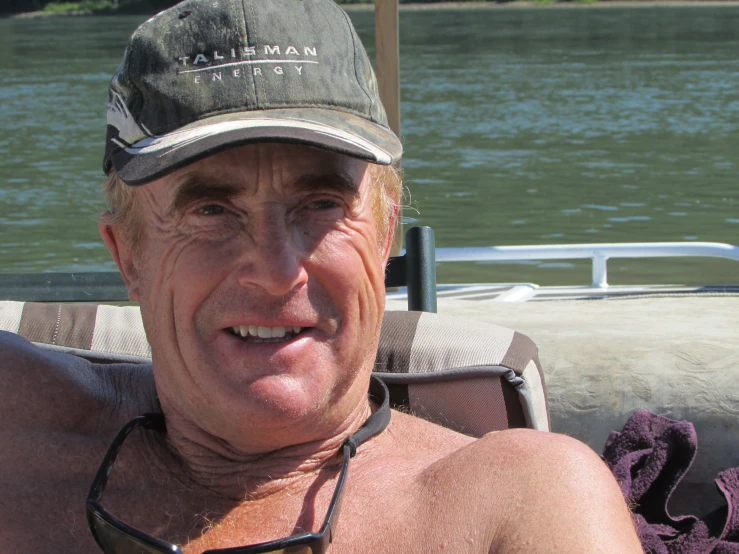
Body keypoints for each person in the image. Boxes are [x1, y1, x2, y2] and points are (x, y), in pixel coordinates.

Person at [1, 0, 643, 552]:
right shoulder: (18, 431)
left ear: (384, 236)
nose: (278, 273)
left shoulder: (520, 503)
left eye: (321, 206)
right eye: (212, 210)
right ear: (128, 257)